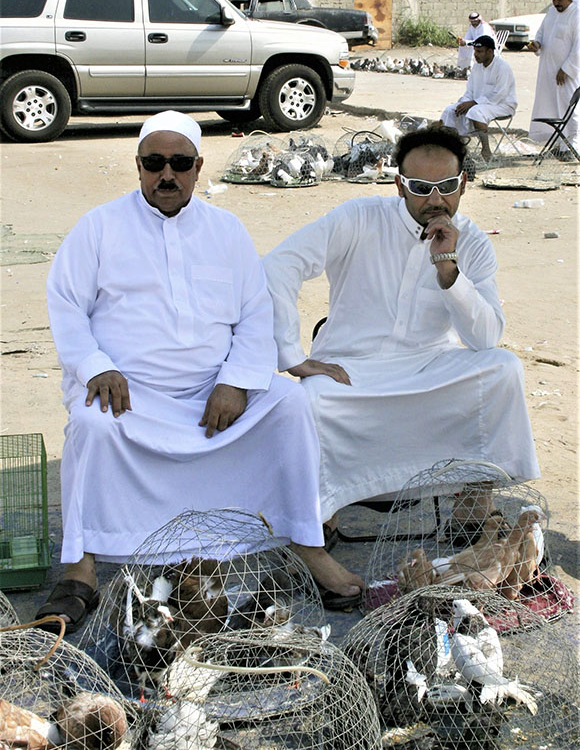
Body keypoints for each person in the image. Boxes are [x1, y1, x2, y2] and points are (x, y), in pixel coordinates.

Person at [37, 110, 361, 632]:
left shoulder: (226, 229)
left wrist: (235, 381)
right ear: (138, 166)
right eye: (154, 163)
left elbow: (256, 312)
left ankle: (305, 542)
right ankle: (82, 567)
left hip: (213, 391)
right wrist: (97, 366)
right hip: (131, 395)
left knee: (290, 405)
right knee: (92, 425)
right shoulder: (98, 227)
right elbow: (66, 305)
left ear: (197, 166)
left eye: (180, 163)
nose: (167, 174)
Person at [263, 124, 540, 558]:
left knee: (503, 370)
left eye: (446, 186)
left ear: (463, 184)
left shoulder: (474, 243)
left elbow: (485, 337)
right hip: (352, 372)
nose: (435, 200)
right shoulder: (357, 218)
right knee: (311, 399)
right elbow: (279, 266)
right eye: (420, 187)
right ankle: (322, 520)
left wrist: (449, 270)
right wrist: (292, 355)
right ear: (399, 185)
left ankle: (470, 512)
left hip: (430, 369)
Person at [441, 36, 517, 160]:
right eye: (475, 51)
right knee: (450, 110)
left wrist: (473, 103)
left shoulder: (502, 67)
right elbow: (470, 91)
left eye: (479, 51)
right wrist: (464, 103)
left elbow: (499, 94)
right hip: (478, 104)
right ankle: (456, 148)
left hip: (502, 105)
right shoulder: (477, 67)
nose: (476, 55)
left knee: (476, 112)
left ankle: (486, 150)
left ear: (490, 52)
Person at [528, 0, 580, 157]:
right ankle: (560, 144)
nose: (556, 3)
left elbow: (579, 48)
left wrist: (566, 69)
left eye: (560, 0)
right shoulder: (551, 13)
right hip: (549, 72)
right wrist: (537, 44)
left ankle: (574, 146)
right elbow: (542, 34)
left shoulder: (577, 14)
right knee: (552, 107)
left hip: (569, 75)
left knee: (571, 109)